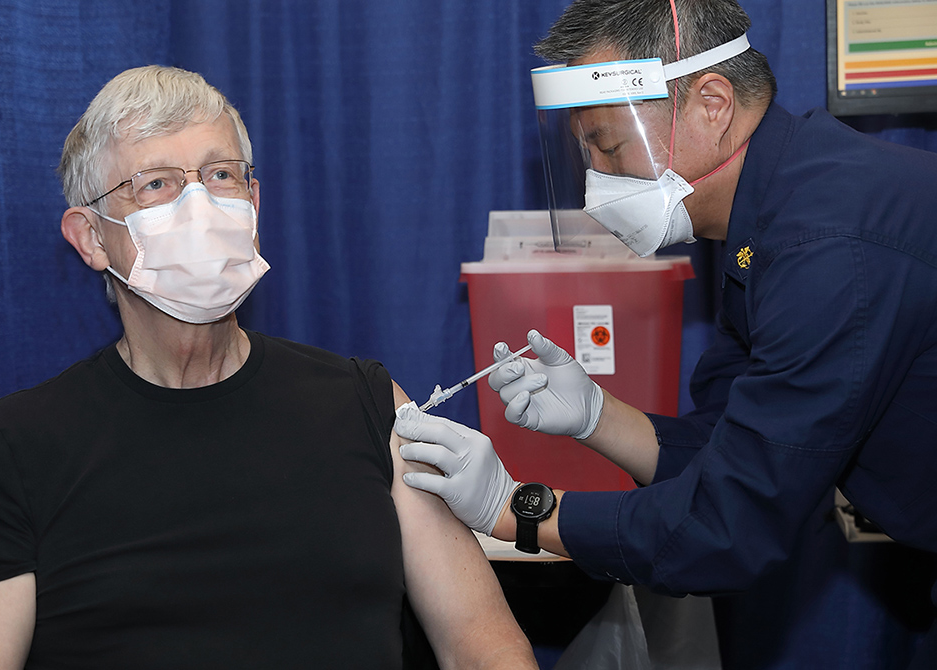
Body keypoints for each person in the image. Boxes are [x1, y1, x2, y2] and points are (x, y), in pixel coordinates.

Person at [0, 65, 538, 670]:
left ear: (253, 203)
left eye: (221, 175)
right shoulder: (15, 450)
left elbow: (480, 644)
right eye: (156, 184)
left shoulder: (364, 402)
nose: (199, 204)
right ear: (91, 237)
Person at [394, 0, 937, 666]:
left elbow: (730, 524)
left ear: (711, 103)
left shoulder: (828, 248)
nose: (598, 182)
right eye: (585, 150)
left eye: (610, 145)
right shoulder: (778, 215)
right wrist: (597, 416)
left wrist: (519, 510)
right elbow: (731, 449)